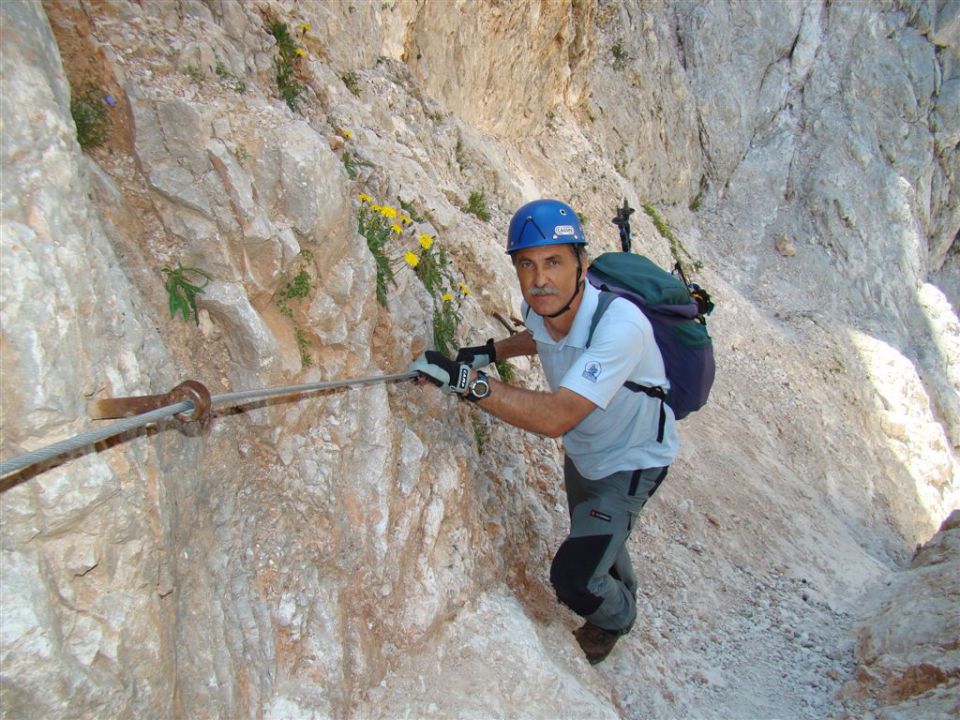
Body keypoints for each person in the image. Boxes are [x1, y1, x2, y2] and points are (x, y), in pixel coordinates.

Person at [409, 198, 679, 665]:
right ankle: (615, 575)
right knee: (593, 534)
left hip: (632, 460)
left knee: (573, 579)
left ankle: (618, 617)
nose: (538, 280)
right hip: (585, 451)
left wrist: (464, 381)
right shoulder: (541, 306)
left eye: (553, 262)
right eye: (526, 265)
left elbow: (556, 416)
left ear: (582, 265)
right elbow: (538, 334)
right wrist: (489, 352)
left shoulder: (621, 326)